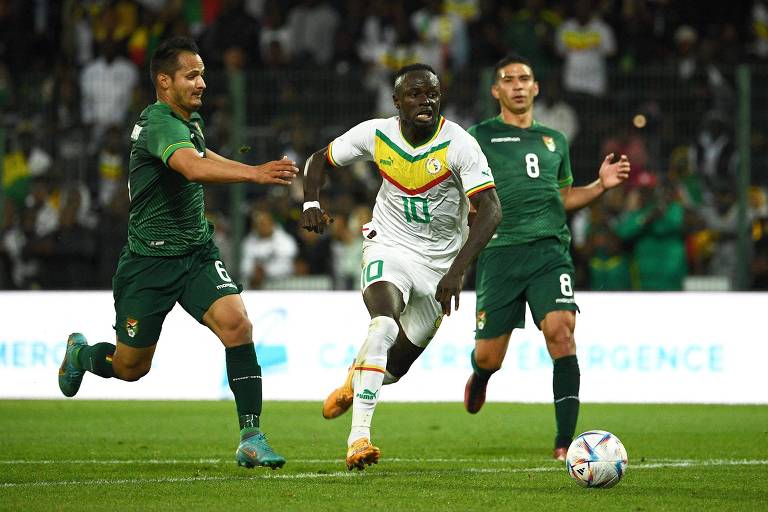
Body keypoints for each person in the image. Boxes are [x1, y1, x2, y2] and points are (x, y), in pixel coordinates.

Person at [57, 36, 299, 469]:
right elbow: (190, 166)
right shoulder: (161, 123)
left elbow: (200, 153)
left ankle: (251, 436)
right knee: (131, 368)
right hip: (149, 263)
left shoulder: (184, 120)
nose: (202, 82)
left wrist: (251, 168)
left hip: (195, 253)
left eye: (203, 74)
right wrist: (254, 174)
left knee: (237, 325)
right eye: (193, 75)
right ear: (164, 81)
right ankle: (80, 354)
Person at [300, 63, 501, 470]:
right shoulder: (376, 135)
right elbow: (319, 160)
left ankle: (353, 382)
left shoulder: (458, 144)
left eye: (432, 94)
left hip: (441, 265)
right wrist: (311, 202)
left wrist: (457, 270)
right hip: (389, 247)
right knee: (384, 325)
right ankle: (359, 439)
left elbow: (492, 209)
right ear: (396, 102)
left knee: (394, 369)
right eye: (415, 94)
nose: (425, 100)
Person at [460, 53, 630, 461]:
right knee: (489, 355)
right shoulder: (477, 137)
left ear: (536, 88)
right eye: (509, 79)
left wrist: (600, 185)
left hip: (550, 252)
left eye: (525, 78)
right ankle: (481, 375)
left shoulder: (555, 140)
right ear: (496, 90)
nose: (518, 85)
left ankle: (565, 443)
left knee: (562, 334)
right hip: (500, 254)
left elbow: (564, 196)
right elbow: (461, 192)